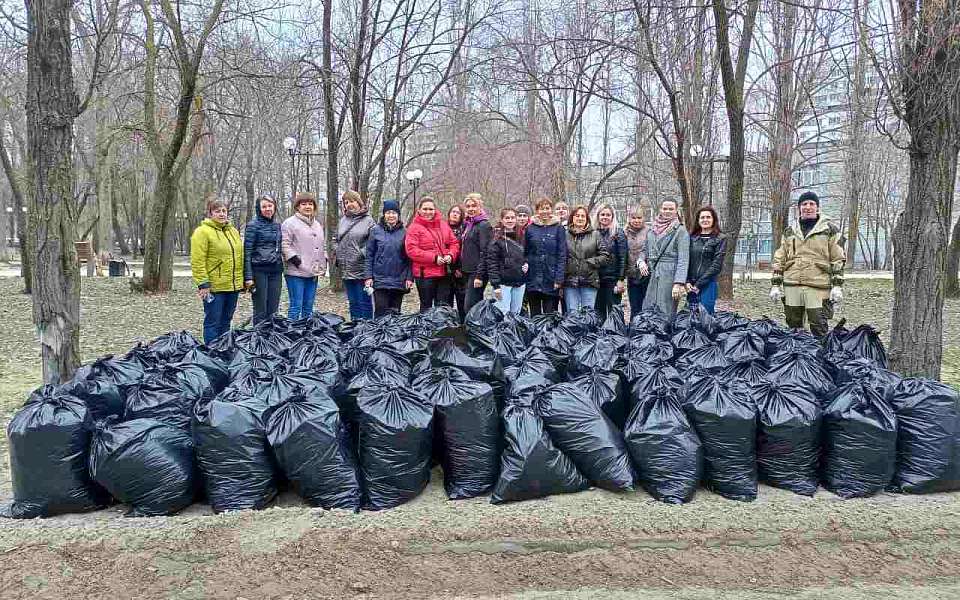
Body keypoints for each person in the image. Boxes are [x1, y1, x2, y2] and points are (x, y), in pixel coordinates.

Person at [770, 190, 845, 337]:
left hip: (818, 285)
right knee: (793, 325)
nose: (808, 207)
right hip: (792, 283)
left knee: (818, 325)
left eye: (812, 204)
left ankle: (820, 356)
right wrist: (775, 284)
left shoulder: (830, 229)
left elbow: (838, 258)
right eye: (804, 204)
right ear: (799, 208)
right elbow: (780, 257)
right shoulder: (790, 231)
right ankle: (797, 356)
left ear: (817, 207)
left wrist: (837, 285)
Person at [190, 199, 244, 344]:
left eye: (224, 211)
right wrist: (203, 283)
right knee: (213, 321)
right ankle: (212, 352)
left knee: (226, 320)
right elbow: (197, 260)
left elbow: (239, 257)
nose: (221, 214)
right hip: (214, 286)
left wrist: (242, 280)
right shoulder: (202, 232)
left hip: (232, 286)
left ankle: (223, 348)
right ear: (210, 213)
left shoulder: (233, 231)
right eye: (217, 211)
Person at [405, 196, 460, 311]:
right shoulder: (414, 228)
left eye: (431, 209)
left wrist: (450, 255)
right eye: (425, 209)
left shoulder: (443, 224)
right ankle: (425, 328)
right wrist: (434, 258)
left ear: (435, 210)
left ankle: (441, 328)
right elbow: (411, 250)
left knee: (443, 307)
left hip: (443, 273)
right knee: (426, 307)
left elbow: (454, 243)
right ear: (419, 210)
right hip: (425, 275)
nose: (428, 212)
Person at [640, 199, 689, 316]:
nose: (667, 211)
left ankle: (665, 333)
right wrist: (641, 261)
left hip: (670, 276)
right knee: (648, 308)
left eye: (671, 209)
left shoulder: (680, 231)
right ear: (660, 209)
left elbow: (683, 259)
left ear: (676, 211)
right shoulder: (652, 229)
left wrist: (678, 283)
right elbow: (644, 250)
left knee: (666, 310)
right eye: (665, 208)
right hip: (653, 274)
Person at [364, 200, 413, 318]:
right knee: (380, 312)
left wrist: (409, 277)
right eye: (388, 212)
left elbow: (409, 258)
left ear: (398, 215)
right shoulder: (375, 231)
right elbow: (369, 255)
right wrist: (368, 276)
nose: (391, 215)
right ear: (384, 214)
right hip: (380, 279)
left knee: (395, 314)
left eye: (394, 213)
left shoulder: (405, 232)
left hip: (399, 279)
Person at [281, 192, 326, 320]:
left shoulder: (317, 224)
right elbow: (285, 244)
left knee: (308, 306)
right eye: (304, 204)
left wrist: (324, 259)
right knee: (296, 305)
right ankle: (292, 334)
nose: (307, 207)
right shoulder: (289, 223)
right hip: (296, 272)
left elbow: (321, 245)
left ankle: (306, 335)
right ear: (297, 207)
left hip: (313, 272)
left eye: (310, 204)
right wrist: (295, 260)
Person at [242, 195, 283, 325]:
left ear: (274, 207)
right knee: (260, 309)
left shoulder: (277, 225)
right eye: (264, 206)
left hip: (275, 270)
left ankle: (270, 339)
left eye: (270, 206)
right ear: (259, 209)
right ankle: (258, 338)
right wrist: (248, 277)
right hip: (259, 271)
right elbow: (247, 252)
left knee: (273, 309)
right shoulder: (253, 226)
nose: (268, 209)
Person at [336, 190, 376, 321]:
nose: (349, 204)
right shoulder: (343, 220)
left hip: (362, 269)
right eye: (346, 202)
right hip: (346, 269)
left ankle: (367, 330)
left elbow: (374, 243)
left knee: (364, 303)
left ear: (359, 202)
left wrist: (360, 253)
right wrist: (337, 252)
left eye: (352, 201)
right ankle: (355, 330)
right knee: (353, 303)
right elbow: (335, 238)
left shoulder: (369, 221)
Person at [524, 198, 567, 316]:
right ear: (537, 210)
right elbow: (526, 252)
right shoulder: (530, 228)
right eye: (541, 208)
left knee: (550, 315)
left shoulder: (558, 228)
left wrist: (559, 279)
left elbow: (562, 254)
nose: (544, 211)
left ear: (551, 210)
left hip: (551, 277)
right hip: (533, 277)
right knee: (535, 314)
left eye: (547, 208)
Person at [564, 205, 611, 312]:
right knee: (572, 314)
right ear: (572, 218)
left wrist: (590, 262)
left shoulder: (595, 235)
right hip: (570, 281)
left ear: (587, 219)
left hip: (589, 280)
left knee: (588, 314)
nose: (580, 218)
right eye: (577, 216)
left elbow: (605, 256)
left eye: (583, 216)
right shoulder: (565, 234)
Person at [686, 205, 727, 314]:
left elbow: (716, 265)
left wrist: (698, 285)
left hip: (708, 283)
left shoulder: (720, 238)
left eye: (708, 217)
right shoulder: (691, 238)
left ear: (713, 219)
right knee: (692, 316)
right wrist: (687, 281)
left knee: (706, 315)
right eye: (702, 217)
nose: (705, 220)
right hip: (691, 284)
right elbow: (686, 261)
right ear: (698, 220)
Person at [486, 208, 528, 314]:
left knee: (516, 313)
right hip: (503, 283)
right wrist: (496, 286)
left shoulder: (522, 236)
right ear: (502, 220)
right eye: (507, 218)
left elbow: (527, 254)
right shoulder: (496, 239)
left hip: (519, 281)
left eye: (512, 217)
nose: (510, 220)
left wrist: (527, 263)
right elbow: (492, 264)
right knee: (502, 312)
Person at [594, 203, 627, 320]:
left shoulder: (618, 233)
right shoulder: (594, 233)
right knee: (598, 311)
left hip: (613, 279)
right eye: (602, 214)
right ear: (598, 216)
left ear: (612, 217)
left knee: (614, 311)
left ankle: (616, 336)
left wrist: (621, 279)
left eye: (608, 215)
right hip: (597, 279)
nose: (605, 217)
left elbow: (623, 258)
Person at [462, 193, 494, 314]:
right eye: (468, 206)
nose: (471, 209)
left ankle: (473, 330)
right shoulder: (469, 224)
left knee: (470, 307)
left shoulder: (484, 225)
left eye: (474, 206)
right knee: (472, 306)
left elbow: (485, 251)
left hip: (477, 272)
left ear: (480, 207)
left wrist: (480, 275)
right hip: (467, 270)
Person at [623, 205, 650, 317]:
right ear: (629, 218)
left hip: (647, 274)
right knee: (634, 306)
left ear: (643, 218)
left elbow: (648, 249)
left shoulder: (650, 232)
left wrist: (642, 260)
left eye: (639, 218)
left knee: (646, 305)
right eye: (633, 218)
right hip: (632, 275)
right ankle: (635, 331)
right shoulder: (624, 232)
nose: (636, 221)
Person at [447, 204, 468, 320]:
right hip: (446, 270)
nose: (455, 214)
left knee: (462, 301)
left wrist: (460, 268)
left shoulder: (465, 229)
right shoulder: (443, 228)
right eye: (453, 211)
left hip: (461, 271)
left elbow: (466, 251)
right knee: (446, 301)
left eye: (458, 212)